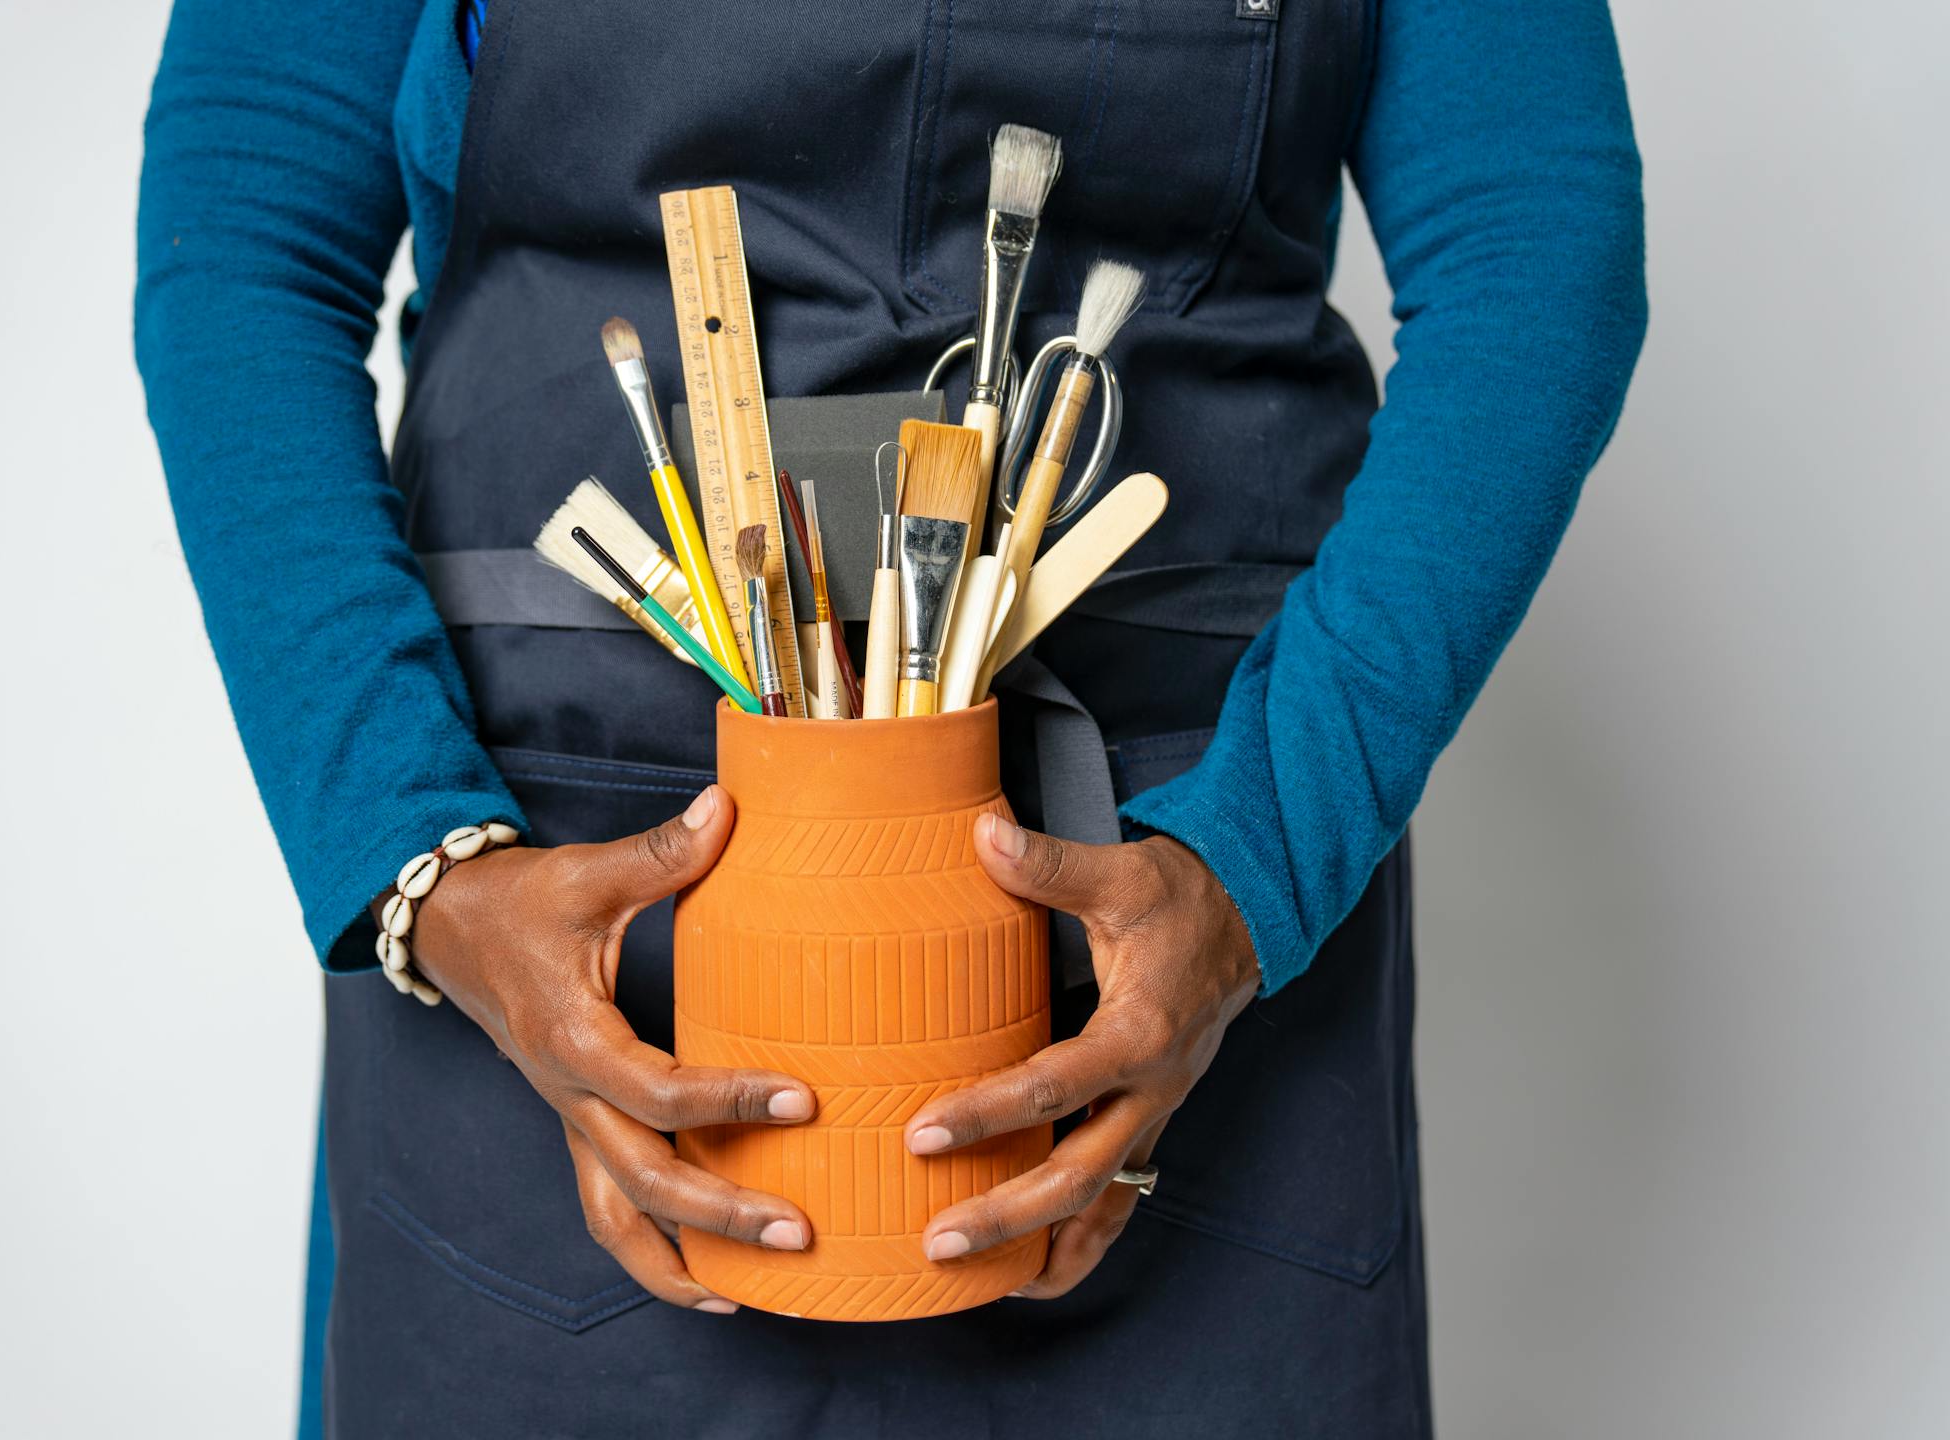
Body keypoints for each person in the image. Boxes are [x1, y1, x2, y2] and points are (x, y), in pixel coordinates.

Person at [135, 0, 1645, 1433]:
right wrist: (425, 865)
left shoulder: (1243, 875)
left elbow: (1535, 247)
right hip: (551, 907)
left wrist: (1257, 861)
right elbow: (245, 241)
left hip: (1199, 913)